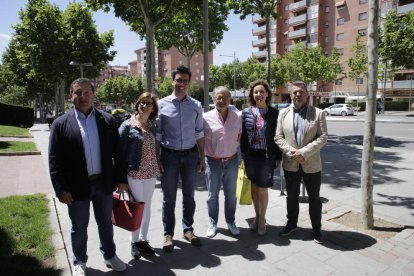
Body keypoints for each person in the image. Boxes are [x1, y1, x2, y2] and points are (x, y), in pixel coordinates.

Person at [48, 78, 128, 276]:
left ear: (93, 95)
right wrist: (61, 189)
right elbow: (54, 160)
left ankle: (110, 255)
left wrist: (121, 179)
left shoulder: (108, 120)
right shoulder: (60, 124)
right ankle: (79, 261)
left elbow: (118, 153)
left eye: (86, 92)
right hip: (76, 188)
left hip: (104, 184)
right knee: (79, 227)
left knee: (106, 223)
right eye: (78, 92)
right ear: (70, 96)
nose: (82, 96)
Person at [155, 65, 205, 252]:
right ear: (172, 81)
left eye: (185, 80)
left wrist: (202, 157)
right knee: (169, 198)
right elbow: (158, 134)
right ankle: (168, 234)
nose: (182, 83)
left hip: (191, 156)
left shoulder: (196, 105)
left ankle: (188, 229)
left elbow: (199, 132)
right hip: (169, 157)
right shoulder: (161, 104)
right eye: (179, 80)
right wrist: (157, 158)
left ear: (189, 83)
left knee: (189, 196)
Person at [275, 81, 328, 244]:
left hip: (311, 163)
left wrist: (303, 152)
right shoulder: (283, 113)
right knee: (291, 197)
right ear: (291, 94)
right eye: (295, 92)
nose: (298, 95)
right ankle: (291, 224)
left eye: (301, 92)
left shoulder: (318, 113)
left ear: (307, 94)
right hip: (291, 162)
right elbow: (278, 137)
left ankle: (317, 228)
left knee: (314, 198)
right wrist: (293, 152)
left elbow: (323, 137)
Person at [119, 92, 159, 258]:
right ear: (137, 104)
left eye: (148, 103)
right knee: (138, 206)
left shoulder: (152, 125)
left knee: (147, 207)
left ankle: (143, 239)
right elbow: (118, 153)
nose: (145, 106)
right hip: (134, 173)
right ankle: (134, 242)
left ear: (153, 108)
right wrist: (120, 179)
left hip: (150, 172)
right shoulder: (128, 125)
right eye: (142, 102)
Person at [240, 80, 282, 236]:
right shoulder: (246, 112)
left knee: (262, 188)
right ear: (252, 94)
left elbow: (278, 136)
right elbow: (242, 136)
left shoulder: (274, 113)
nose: (258, 94)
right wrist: (243, 155)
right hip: (250, 156)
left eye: (261, 91)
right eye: (256, 92)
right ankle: (256, 218)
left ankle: (262, 219)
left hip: (266, 157)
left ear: (267, 94)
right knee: (254, 188)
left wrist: (278, 156)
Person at [203, 86, 242, 238]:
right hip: (213, 162)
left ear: (230, 99)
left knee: (231, 195)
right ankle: (213, 223)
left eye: (225, 97)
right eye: (218, 97)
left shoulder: (237, 117)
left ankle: (230, 221)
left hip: (232, 161)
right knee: (212, 195)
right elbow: (200, 139)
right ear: (213, 99)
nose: (222, 100)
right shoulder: (205, 117)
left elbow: (240, 136)